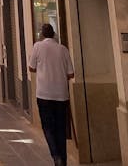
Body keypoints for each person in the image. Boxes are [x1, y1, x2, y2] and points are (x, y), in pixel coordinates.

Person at [28, 23, 75, 166]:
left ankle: (56, 156)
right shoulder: (63, 49)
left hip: (44, 95)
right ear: (54, 34)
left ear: (42, 34)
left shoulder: (37, 47)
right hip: (61, 95)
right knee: (61, 129)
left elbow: (31, 67)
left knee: (48, 127)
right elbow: (71, 73)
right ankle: (63, 161)